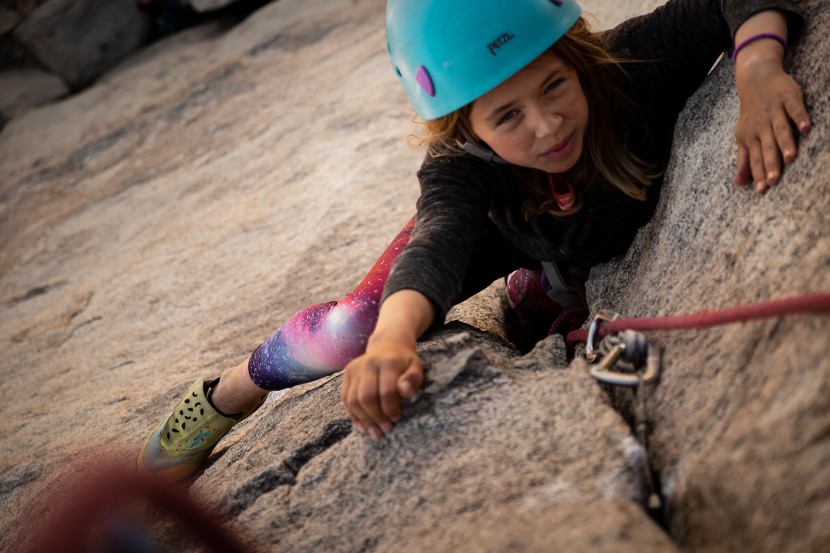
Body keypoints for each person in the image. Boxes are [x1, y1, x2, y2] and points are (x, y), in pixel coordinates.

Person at [138, 0, 810, 480]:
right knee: (353, 329)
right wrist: (392, 339)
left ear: (576, 56)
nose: (547, 126)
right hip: (497, 234)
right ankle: (228, 393)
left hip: (568, 238)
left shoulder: (625, 71)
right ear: (465, 127)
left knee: (555, 280)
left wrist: (757, 68)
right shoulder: (462, 172)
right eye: (507, 115)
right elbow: (435, 245)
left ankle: (541, 287)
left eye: (555, 84)